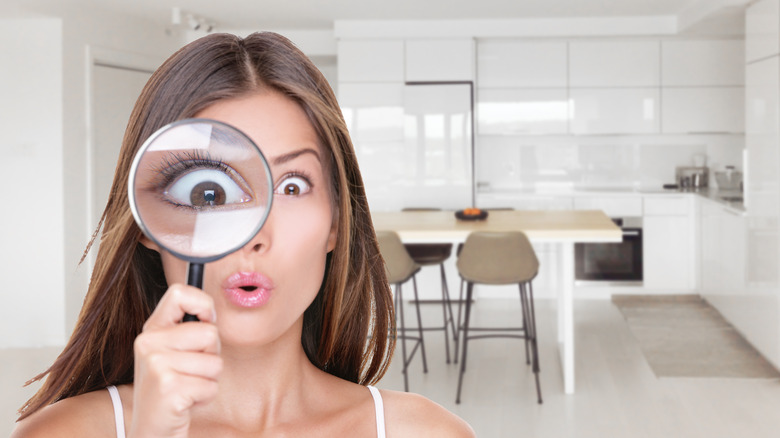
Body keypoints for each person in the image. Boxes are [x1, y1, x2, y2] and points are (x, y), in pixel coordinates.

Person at [11, 32, 474, 437]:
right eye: (207, 192)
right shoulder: (60, 434)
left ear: (336, 223)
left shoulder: (427, 433)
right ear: (148, 225)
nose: (253, 237)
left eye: (292, 186)